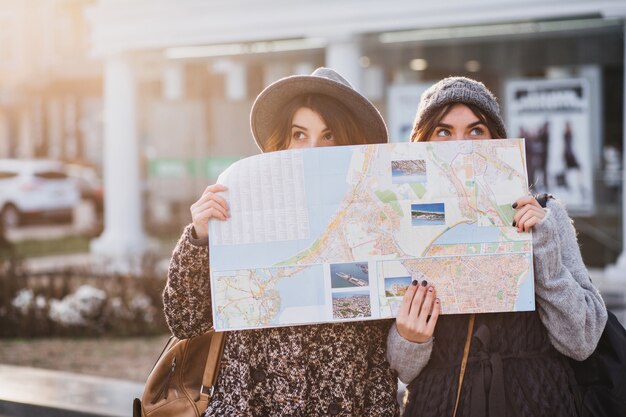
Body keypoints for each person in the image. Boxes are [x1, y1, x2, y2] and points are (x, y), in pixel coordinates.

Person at [163, 67, 400, 416]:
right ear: (281, 141)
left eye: (329, 135)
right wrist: (199, 238)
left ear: (351, 143)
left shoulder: (377, 217)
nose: (312, 149)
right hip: (250, 406)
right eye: (299, 134)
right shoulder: (242, 206)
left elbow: (387, 344)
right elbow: (186, 321)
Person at [387, 76, 607, 417]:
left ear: (496, 140)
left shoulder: (545, 216)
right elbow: (403, 370)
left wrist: (543, 251)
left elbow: (582, 341)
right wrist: (410, 338)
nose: (461, 145)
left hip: (540, 402)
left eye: (476, 131)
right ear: (422, 143)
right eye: (443, 132)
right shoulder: (401, 225)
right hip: (442, 405)